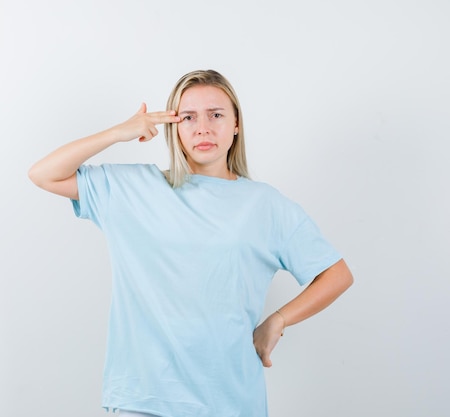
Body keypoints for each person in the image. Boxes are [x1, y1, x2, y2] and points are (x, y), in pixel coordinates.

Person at [28, 69, 353, 417]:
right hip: (144, 400)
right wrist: (118, 133)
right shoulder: (135, 189)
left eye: (216, 115)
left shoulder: (266, 205)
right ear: (174, 126)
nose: (203, 128)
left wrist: (278, 320)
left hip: (230, 401)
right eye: (188, 117)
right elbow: (44, 174)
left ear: (236, 124)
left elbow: (336, 274)